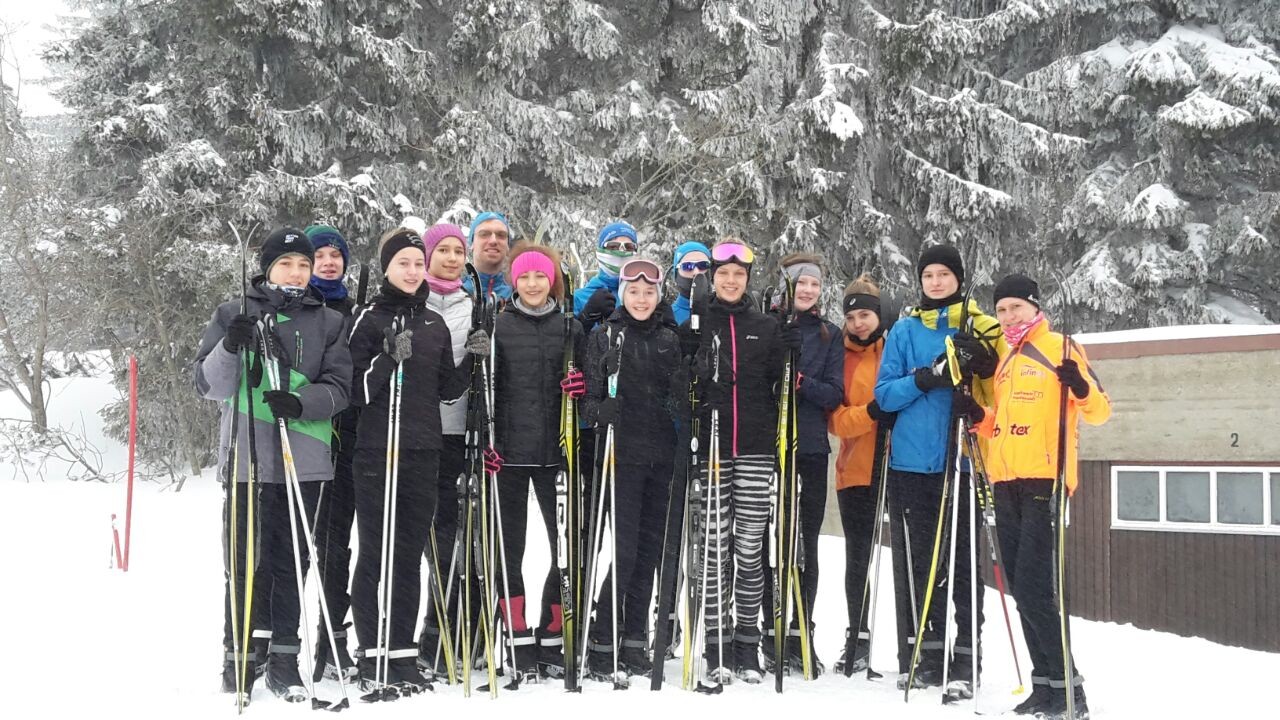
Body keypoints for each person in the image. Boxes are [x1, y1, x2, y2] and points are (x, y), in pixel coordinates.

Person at [196, 227, 352, 703]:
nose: (297, 273)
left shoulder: (327, 321)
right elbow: (208, 386)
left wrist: (302, 402)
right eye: (287, 264)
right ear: (267, 268)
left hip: (303, 460)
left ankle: (285, 657)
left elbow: (340, 387)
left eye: (304, 265)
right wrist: (229, 347)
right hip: (247, 458)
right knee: (244, 561)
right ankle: (240, 654)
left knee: (291, 562)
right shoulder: (233, 313)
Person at [956, 273, 1110, 720]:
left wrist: (1079, 386)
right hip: (1005, 482)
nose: (1007, 317)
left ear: (1034, 307)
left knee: (1036, 589)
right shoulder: (1006, 356)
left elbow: (1100, 410)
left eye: (1015, 308)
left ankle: (1069, 691)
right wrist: (979, 416)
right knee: (1020, 589)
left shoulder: (1061, 346)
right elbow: (1003, 422)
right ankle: (1044, 688)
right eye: (1001, 310)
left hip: (1046, 479)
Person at [346, 228, 482, 693]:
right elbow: (355, 392)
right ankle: (371, 650)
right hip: (377, 452)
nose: (411, 271)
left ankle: (402, 654)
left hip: (424, 450)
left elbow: (446, 391)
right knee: (375, 552)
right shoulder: (367, 318)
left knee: (407, 554)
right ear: (386, 267)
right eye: (402, 262)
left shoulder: (432, 323)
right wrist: (385, 359)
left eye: (416, 263)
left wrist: (471, 363)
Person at [873, 243, 1000, 698]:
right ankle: (928, 655)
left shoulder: (980, 324)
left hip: (962, 460)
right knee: (924, 563)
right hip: (913, 462)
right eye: (929, 275)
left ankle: (966, 657)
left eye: (944, 274)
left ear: (959, 279)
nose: (936, 282)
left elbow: (998, 384)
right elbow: (884, 395)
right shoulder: (905, 330)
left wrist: (983, 364)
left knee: (965, 564)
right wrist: (925, 378)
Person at [678, 238, 798, 684]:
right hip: (710, 448)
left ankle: (748, 641)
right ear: (713, 276)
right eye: (723, 274)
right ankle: (717, 641)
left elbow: (781, 386)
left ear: (749, 278)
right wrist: (689, 357)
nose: (730, 281)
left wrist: (790, 351)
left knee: (749, 549)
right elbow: (680, 382)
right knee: (713, 549)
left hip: (755, 446)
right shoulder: (698, 318)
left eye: (739, 274)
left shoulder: (763, 325)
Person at [579, 258, 683, 681]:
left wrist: (681, 396)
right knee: (623, 552)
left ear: (659, 296)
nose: (641, 299)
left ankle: (635, 640)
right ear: (622, 293)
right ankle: (602, 639)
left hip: (660, 455)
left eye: (649, 292)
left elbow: (677, 399)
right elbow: (585, 399)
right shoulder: (605, 336)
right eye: (634, 292)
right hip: (619, 457)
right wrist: (599, 409)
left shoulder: (669, 339)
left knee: (648, 552)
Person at [489, 242, 585, 681]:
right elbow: (486, 389)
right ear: (514, 281)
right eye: (524, 276)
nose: (532, 284)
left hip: (557, 454)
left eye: (540, 277)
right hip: (508, 456)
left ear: (553, 281)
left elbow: (590, 383)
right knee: (509, 549)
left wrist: (581, 389)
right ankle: (517, 637)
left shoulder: (571, 327)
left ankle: (551, 631)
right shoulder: (499, 325)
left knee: (564, 547)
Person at [759, 253, 844, 677]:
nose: (807, 291)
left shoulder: (830, 335)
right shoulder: (768, 324)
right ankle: (766, 627)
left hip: (809, 447)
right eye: (800, 283)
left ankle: (799, 630)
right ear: (787, 286)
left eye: (814, 284)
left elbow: (834, 394)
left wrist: (801, 384)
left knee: (804, 542)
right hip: (768, 446)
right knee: (766, 538)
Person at [412, 223, 476, 676]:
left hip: (459, 434)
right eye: (443, 250)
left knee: (452, 542)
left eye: (459, 250)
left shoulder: (476, 307)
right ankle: (402, 634)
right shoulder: (411, 303)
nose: (452, 258)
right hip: (417, 432)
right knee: (418, 535)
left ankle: (443, 631)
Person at [828, 275, 898, 675]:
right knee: (858, 558)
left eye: (865, 314)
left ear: (879, 314)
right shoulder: (839, 355)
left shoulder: (894, 349)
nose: (858, 323)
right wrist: (871, 413)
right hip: (855, 468)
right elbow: (835, 420)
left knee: (906, 556)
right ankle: (857, 635)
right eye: (852, 316)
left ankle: (915, 640)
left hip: (897, 465)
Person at [302, 224, 362, 682]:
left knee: (337, 546)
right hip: (305, 440)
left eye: (334, 254)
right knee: (308, 546)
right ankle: (282, 639)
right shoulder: (296, 308)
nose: (328, 262)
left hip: (353, 442)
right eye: (318, 254)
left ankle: (333, 639)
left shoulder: (357, 310)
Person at [574, 221, 639, 333]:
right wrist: (585, 318)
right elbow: (562, 344)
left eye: (629, 247)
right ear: (600, 250)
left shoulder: (644, 297)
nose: (621, 252)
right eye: (613, 246)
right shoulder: (578, 298)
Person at [461, 211, 514, 300]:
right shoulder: (454, 293)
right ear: (471, 243)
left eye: (501, 235)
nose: (493, 241)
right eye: (484, 234)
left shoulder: (520, 296)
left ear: (508, 245)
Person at [670, 241, 711, 326]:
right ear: (677, 273)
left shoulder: (723, 312)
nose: (696, 272)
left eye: (703, 265)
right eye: (688, 266)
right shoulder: (668, 317)